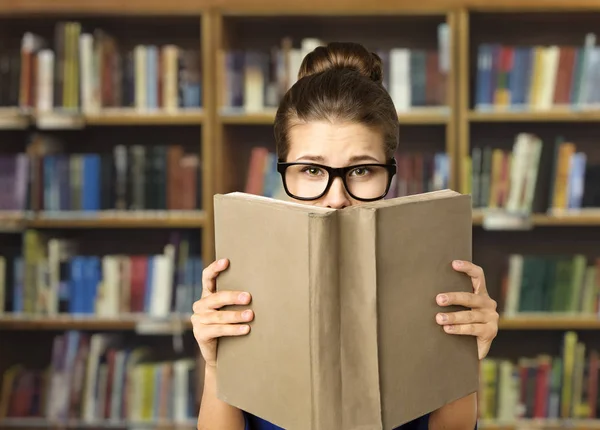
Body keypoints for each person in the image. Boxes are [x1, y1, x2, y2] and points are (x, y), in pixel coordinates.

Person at [192, 41, 499, 430]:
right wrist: (217, 363)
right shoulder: (242, 274)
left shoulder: (435, 270)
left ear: (390, 168)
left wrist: (462, 357)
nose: (336, 199)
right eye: (311, 171)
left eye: (361, 171)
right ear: (282, 169)